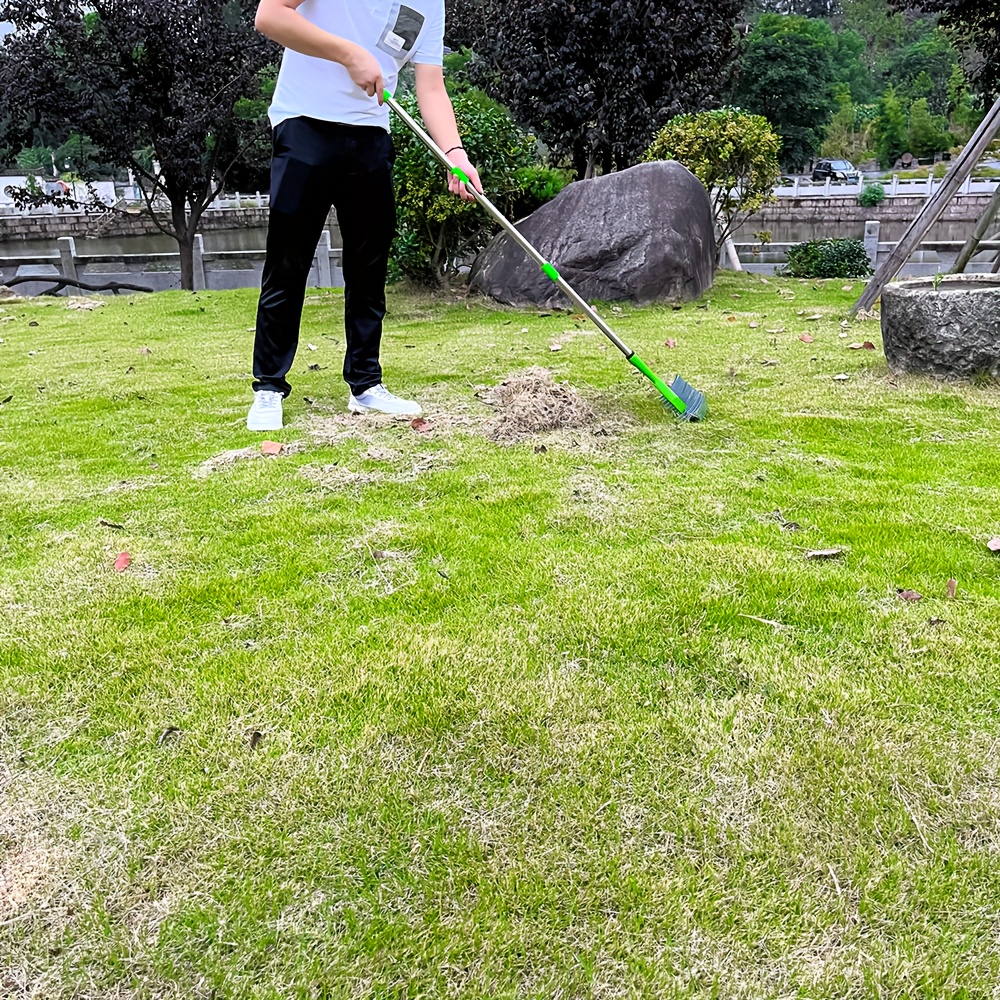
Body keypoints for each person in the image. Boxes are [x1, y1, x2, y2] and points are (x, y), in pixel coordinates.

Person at [247, 0, 482, 431]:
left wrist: (455, 154)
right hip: (304, 124)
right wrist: (349, 54)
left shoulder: (431, 5)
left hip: (372, 134)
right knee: (288, 261)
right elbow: (270, 15)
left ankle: (365, 385)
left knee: (368, 267)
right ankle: (269, 386)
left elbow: (431, 88)